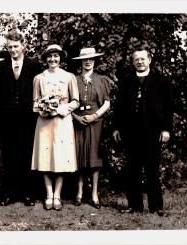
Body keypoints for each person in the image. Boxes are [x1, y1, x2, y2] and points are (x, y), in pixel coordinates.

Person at [112, 49, 173, 216]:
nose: (139, 61)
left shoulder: (161, 81)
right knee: (132, 171)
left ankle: (156, 207)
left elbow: (168, 108)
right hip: (130, 132)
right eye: (136, 59)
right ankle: (134, 206)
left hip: (153, 131)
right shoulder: (126, 81)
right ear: (133, 62)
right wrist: (116, 127)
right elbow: (119, 107)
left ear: (149, 60)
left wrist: (166, 129)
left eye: (142, 59)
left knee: (152, 170)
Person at [0, 30, 42, 206]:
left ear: (23, 46)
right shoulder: (1, 66)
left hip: (28, 120)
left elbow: (39, 92)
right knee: (8, 157)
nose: (12, 49)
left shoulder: (34, 65)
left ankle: (27, 193)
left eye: (16, 46)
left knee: (26, 155)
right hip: (6, 120)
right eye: (10, 46)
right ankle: (8, 193)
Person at [31, 44, 79, 211]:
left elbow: (75, 101)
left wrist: (60, 110)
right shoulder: (39, 78)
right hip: (44, 122)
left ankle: (57, 195)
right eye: (50, 56)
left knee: (60, 157)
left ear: (61, 58)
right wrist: (43, 110)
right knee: (45, 156)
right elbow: (35, 102)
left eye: (56, 56)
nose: (53, 59)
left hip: (62, 121)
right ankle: (48, 194)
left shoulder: (69, 77)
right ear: (46, 59)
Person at [71, 48, 111, 209]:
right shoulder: (73, 79)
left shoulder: (102, 80)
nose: (88, 62)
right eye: (85, 59)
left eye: (91, 59)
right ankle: (79, 193)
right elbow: (68, 101)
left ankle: (94, 194)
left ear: (95, 61)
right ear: (80, 61)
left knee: (95, 158)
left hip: (95, 122)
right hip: (78, 121)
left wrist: (94, 116)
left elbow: (107, 103)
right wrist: (76, 117)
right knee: (79, 157)